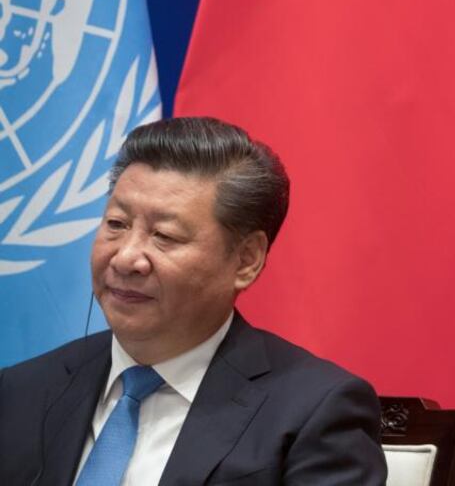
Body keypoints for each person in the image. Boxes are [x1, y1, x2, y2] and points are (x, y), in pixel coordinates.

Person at [0, 117, 387, 485]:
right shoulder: (23, 392)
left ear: (246, 260)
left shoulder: (313, 411)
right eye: (116, 225)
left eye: (164, 235)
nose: (125, 258)